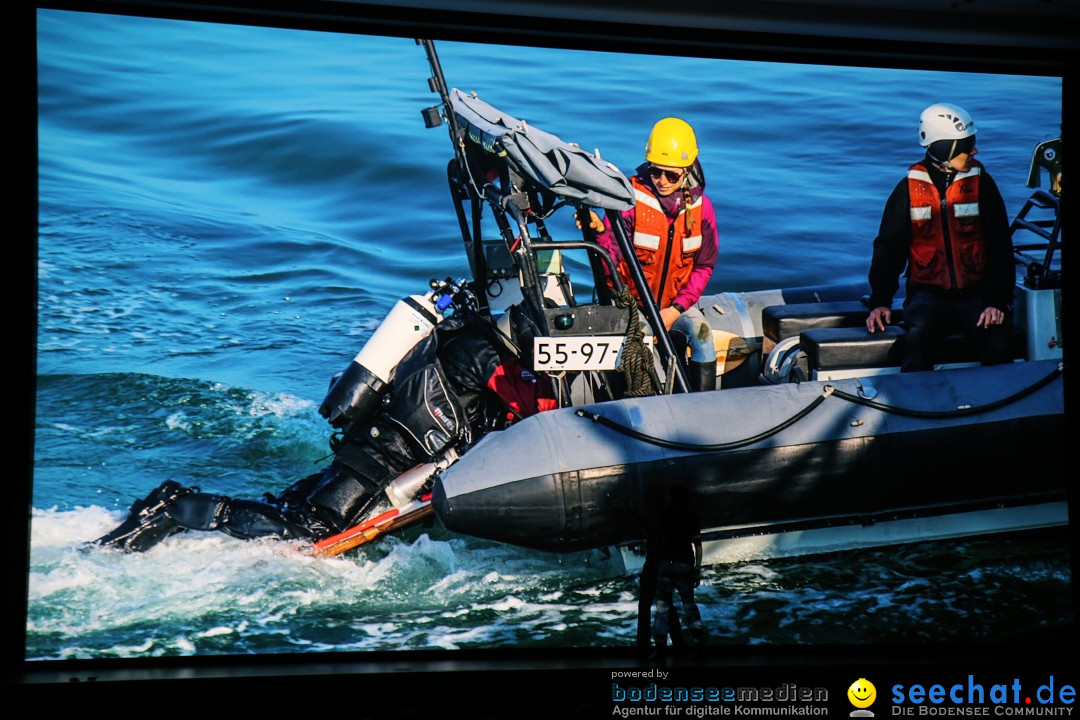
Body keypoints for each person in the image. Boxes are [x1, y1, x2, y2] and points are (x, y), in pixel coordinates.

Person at [95, 306, 556, 552]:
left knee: (291, 505)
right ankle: (177, 507)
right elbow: (536, 406)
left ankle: (182, 510)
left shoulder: (469, 333)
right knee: (311, 530)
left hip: (376, 444)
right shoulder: (486, 356)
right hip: (381, 457)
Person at [865, 103, 1014, 372]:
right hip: (928, 298)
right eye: (967, 145)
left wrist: (996, 301)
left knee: (999, 342)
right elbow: (889, 248)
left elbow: (1000, 245)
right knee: (917, 339)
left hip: (978, 296)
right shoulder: (907, 190)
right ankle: (915, 406)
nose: (975, 151)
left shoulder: (983, 185)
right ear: (945, 149)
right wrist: (880, 302)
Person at [586, 117, 720, 392]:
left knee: (702, 335)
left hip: (675, 304)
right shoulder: (630, 201)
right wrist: (599, 230)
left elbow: (704, 266)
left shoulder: (702, 209)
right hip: (635, 308)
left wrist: (677, 309)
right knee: (640, 345)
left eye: (672, 175)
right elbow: (608, 257)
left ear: (688, 170)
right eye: (656, 172)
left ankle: (704, 403)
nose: (662, 181)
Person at [649, 484, 705, 660]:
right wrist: (697, 569)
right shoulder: (691, 517)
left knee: (662, 609)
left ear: (672, 499)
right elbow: (698, 546)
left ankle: (660, 650)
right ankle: (699, 647)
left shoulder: (664, 516)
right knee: (689, 606)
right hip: (685, 565)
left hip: (667, 565)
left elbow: (653, 536)